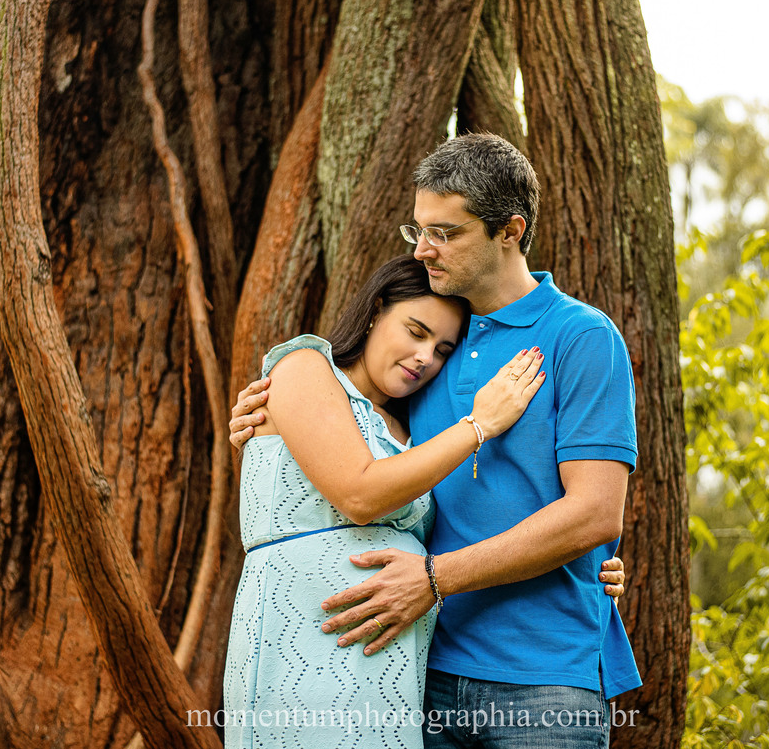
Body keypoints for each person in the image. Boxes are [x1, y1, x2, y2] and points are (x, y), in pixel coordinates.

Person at [230, 133, 639, 748]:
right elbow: (359, 446)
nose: (424, 248)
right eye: (417, 229)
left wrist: (436, 577)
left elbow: (594, 513)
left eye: (445, 232)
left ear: (510, 230)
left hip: (543, 679)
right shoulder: (436, 344)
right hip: (418, 672)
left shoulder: (581, 337)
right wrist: (269, 416)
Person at [223, 254, 550, 749]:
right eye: (415, 332)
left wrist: (589, 558)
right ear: (376, 310)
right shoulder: (305, 367)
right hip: (302, 638)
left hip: (390, 668)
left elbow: (465, 521)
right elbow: (359, 494)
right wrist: (480, 425)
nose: (426, 358)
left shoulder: (412, 428)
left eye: (442, 349)